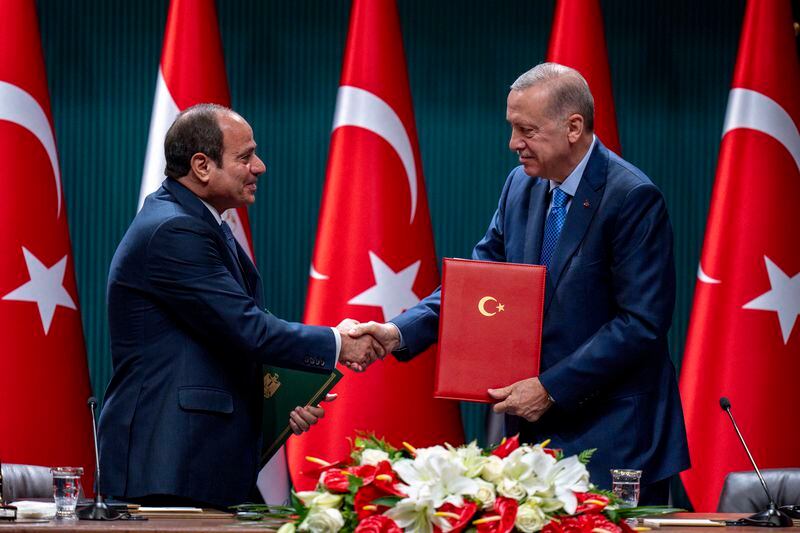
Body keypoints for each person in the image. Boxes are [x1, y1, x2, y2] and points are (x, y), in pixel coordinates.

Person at [349, 63, 689, 504]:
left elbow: (641, 323)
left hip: (615, 437)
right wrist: (397, 332)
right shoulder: (520, 187)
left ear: (573, 127)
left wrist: (550, 388)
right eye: (512, 128)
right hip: (532, 438)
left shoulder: (631, 197)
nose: (513, 144)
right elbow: (477, 287)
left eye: (526, 130)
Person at [97, 104, 382, 509]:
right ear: (201, 165)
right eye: (245, 156)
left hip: (198, 461)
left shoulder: (202, 222)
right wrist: (339, 343)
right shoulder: (174, 229)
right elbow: (247, 329)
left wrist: (286, 397)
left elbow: (222, 338)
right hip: (168, 465)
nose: (260, 166)